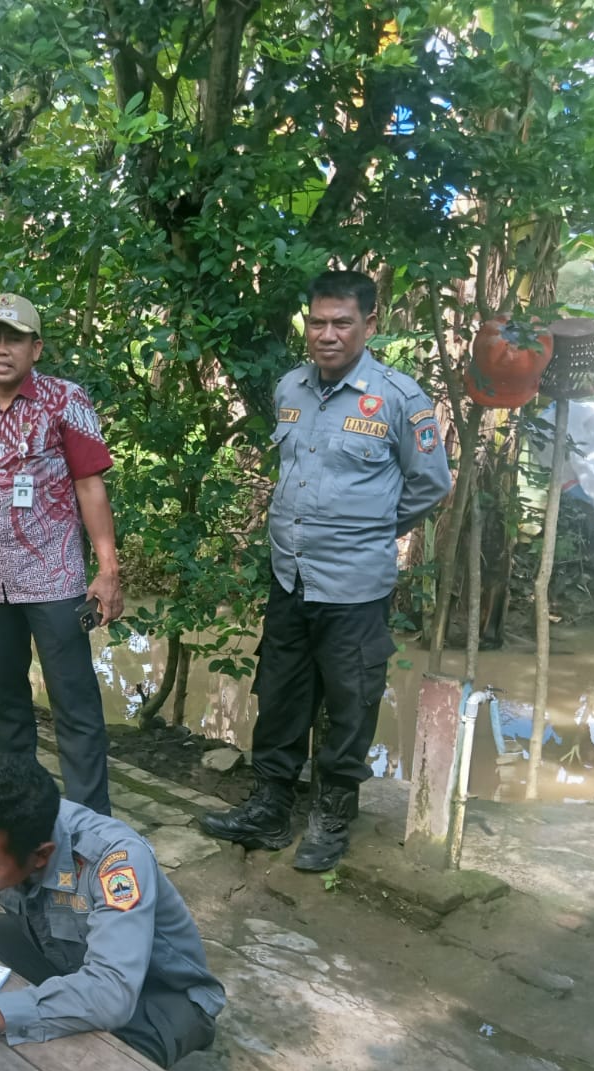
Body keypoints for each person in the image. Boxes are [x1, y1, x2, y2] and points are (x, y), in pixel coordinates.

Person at [201, 269, 453, 871]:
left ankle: (332, 816)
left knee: (350, 703)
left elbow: (429, 483)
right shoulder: (290, 388)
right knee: (283, 694)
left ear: (371, 325)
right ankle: (269, 806)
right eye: (318, 322)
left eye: (343, 323)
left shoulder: (399, 398)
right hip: (290, 576)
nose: (328, 334)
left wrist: (371, 533)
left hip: (354, 587)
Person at [0, 753, 224, 1068]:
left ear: (42, 855)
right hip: (56, 956)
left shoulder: (115, 861)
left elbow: (112, 993)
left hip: (158, 995)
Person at [0, 294, 121, 816]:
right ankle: (19, 818)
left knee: (74, 706)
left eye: (14, 338)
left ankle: (90, 826)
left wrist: (107, 571)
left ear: (35, 348)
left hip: (54, 579)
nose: (2, 349)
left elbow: (90, 488)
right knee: (8, 706)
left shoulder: (66, 401)